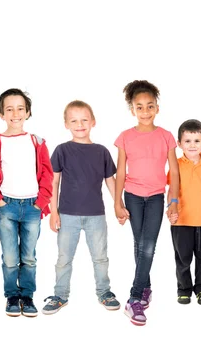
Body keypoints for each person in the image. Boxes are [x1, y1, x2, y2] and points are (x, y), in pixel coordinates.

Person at [42, 100, 120, 315]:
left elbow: (110, 181)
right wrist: (53, 212)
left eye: (84, 119)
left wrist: (118, 205)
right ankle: (60, 295)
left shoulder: (101, 151)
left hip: (96, 215)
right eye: (74, 120)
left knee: (101, 257)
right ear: (66, 124)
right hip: (67, 215)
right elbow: (54, 182)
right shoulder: (62, 150)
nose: (80, 124)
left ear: (93, 122)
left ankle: (104, 292)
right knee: (64, 258)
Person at [114, 80, 180, 326]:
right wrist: (117, 202)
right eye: (139, 107)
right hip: (131, 195)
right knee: (140, 243)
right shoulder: (125, 137)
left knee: (148, 245)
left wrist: (173, 200)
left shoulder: (166, 136)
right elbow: (120, 172)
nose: (144, 111)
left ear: (157, 108)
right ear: (132, 110)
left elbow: (173, 171)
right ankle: (145, 289)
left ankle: (134, 297)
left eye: (149, 106)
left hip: (155, 197)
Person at [0, 88, 53, 317]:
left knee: (29, 257)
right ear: (1, 114)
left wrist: (41, 202)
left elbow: (47, 173)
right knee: (10, 257)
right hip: (8, 207)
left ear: (28, 112)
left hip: (33, 206)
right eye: (9, 109)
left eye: (20, 108)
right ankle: (12, 296)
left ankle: (27, 296)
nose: (15, 113)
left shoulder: (37, 141)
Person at [167, 119, 201, 305]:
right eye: (187, 141)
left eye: (196, 141)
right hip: (181, 221)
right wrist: (170, 209)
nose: (192, 145)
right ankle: (184, 289)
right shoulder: (175, 165)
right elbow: (171, 190)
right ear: (179, 144)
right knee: (182, 259)